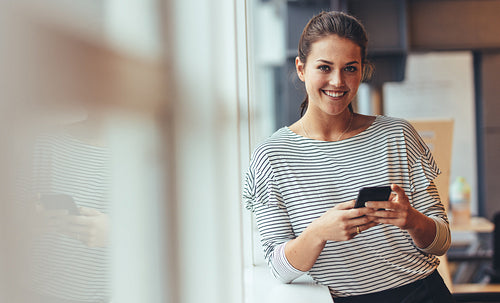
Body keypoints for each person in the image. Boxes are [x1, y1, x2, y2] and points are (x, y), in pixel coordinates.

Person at [243, 11, 454, 303]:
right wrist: (319, 231)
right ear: (301, 69)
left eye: (350, 69)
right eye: (324, 67)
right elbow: (279, 267)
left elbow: (442, 241)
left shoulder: (399, 134)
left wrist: (412, 220)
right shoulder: (271, 155)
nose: (338, 81)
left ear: (363, 71)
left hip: (422, 293)